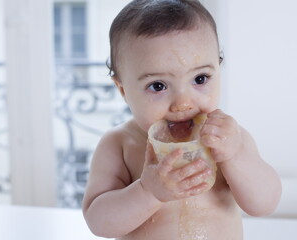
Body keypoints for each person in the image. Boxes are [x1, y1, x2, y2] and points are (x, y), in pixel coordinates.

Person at [82, 0, 282, 239]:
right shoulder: (119, 144)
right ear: (123, 90)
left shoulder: (230, 138)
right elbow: (99, 223)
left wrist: (235, 155)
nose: (182, 103)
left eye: (200, 79)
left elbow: (264, 204)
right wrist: (148, 192)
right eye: (158, 86)